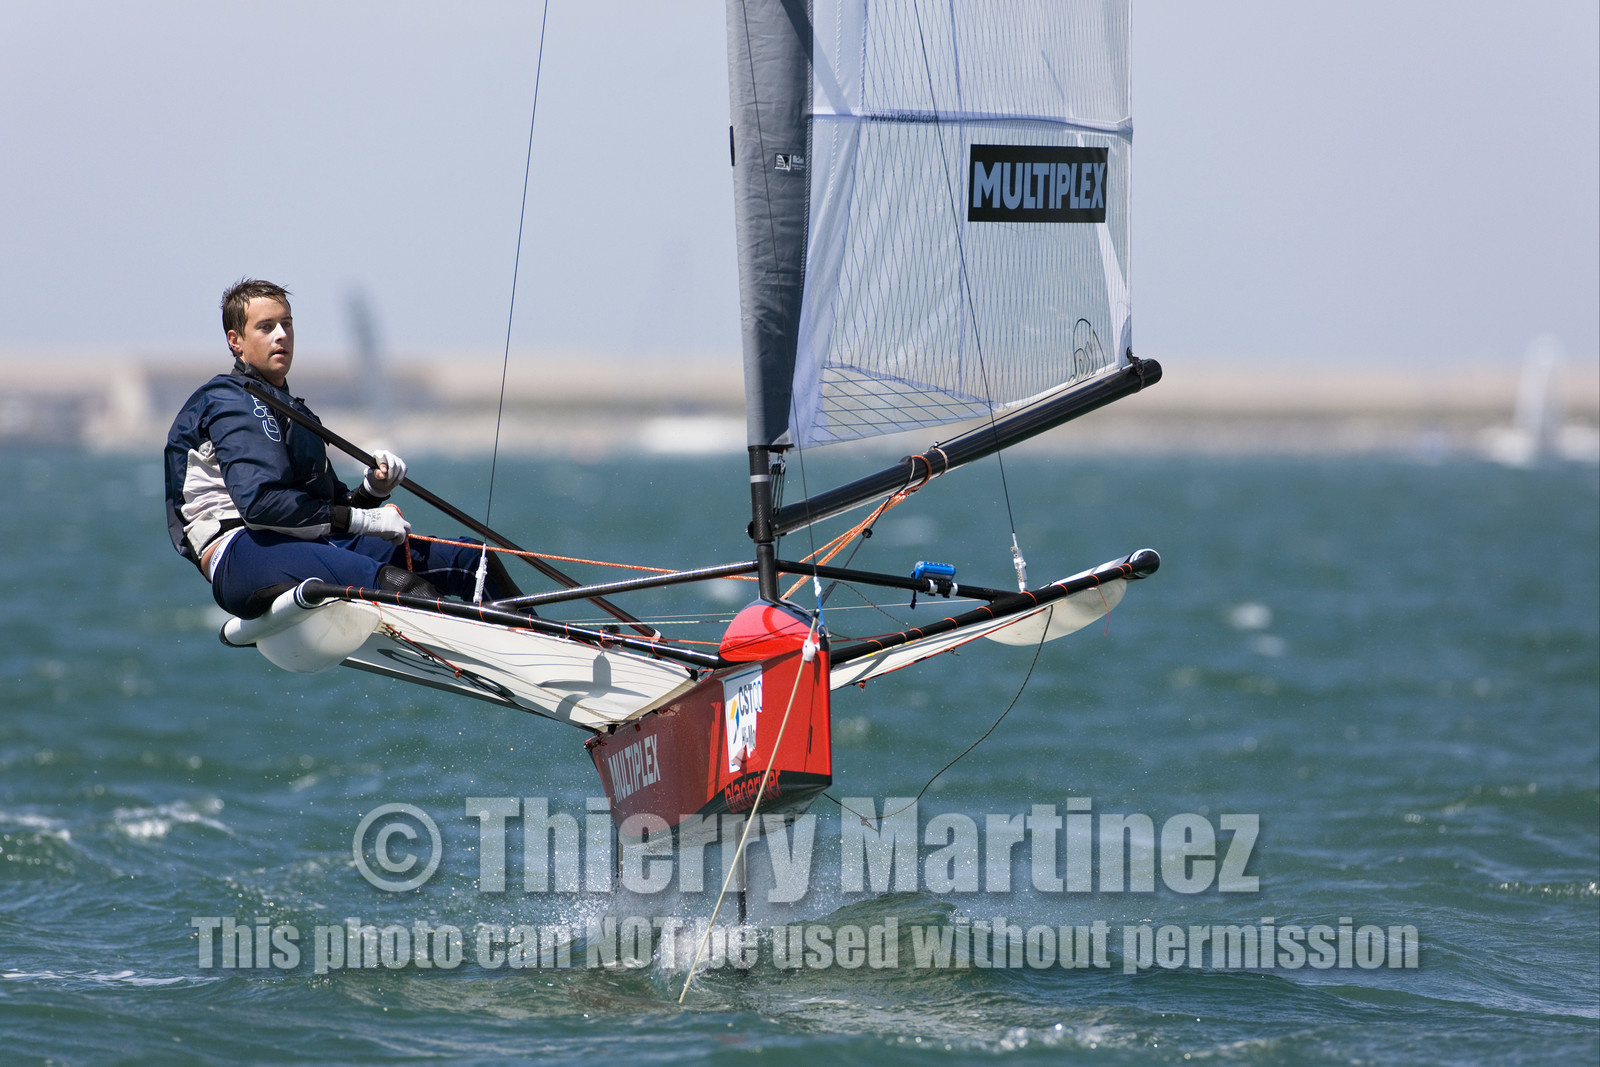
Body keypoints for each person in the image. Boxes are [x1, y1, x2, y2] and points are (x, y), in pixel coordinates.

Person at [165, 278, 519, 618]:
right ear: (236, 341)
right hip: (240, 554)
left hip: (304, 541)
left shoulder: (294, 411)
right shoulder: (228, 401)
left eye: (287, 324)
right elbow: (261, 507)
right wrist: (367, 520)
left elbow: (328, 511)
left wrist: (372, 490)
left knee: (473, 562)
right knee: (400, 586)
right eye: (266, 327)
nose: (281, 335)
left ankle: (545, 646)